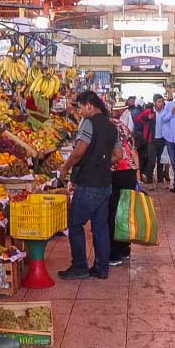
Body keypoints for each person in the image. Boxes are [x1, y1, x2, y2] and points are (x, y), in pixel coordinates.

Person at [59, 91, 120, 280]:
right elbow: (118, 155)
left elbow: (79, 151)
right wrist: (101, 162)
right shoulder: (111, 126)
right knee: (100, 226)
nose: (80, 111)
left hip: (88, 183)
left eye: (81, 107)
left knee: (75, 224)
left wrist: (65, 166)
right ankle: (102, 268)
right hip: (105, 183)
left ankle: (79, 267)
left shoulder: (89, 123)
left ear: (90, 106)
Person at [108, 102, 140, 266]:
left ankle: (113, 254)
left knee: (112, 212)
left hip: (116, 172)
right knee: (125, 211)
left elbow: (115, 154)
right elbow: (133, 149)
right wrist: (138, 173)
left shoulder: (106, 127)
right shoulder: (123, 126)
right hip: (129, 171)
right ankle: (125, 249)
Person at [136, 94, 169, 188]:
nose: (161, 103)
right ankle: (149, 181)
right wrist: (147, 118)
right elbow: (137, 118)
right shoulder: (148, 111)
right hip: (151, 140)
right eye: (159, 101)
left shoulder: (166, 112)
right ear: (154, 103)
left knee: (161, 161)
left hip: (163, 139)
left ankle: (160, 180)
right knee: (151, 161)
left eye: (162, 101)